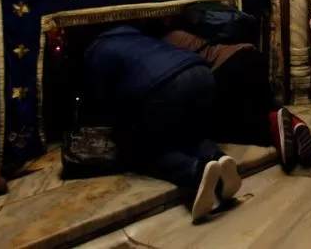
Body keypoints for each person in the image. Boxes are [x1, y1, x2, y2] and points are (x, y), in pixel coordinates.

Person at [83, 25, 242, 222]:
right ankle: (218, 158)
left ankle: (195, 172)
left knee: (147, 149)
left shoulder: (98, 50)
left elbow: (99, 103)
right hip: (201, 74)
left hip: (165, 87)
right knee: (189, 135)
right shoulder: (140, 35)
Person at [161, 28, 311, 172]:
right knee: (260, 103)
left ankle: (271, 127)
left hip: (228, 68)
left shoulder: (163, 43)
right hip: (249, 54)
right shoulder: (183, 30)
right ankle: (294, 123)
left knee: (223, 128)